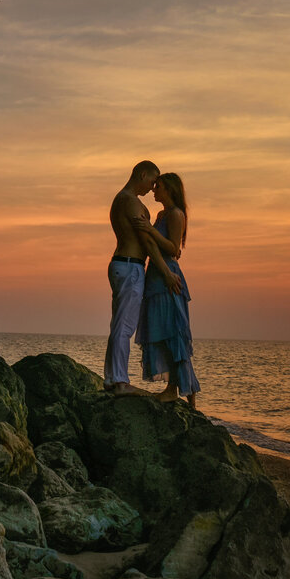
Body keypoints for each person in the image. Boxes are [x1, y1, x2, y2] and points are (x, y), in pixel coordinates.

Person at [105, 161, 181, 395]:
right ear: (142, 174)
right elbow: (147, 242)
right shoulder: (131, 202)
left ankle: (112, 379)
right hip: (130, 266)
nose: (152, 188)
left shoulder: (120, 199)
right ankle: (119, 382)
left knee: (118, 324)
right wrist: (167, 271)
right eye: (152, 181)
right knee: (124, 326)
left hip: (122, 264)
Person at [134, 172, 200, 408]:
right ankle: (183, 393)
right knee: (160, 332)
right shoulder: (162, 214)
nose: (154, 189)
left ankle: (177, 391)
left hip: (167, 276)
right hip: (155, 275)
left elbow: (172, 248)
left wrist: (150, 230)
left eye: (158, 186)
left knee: (173, 333)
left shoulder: (175, 214)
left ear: (169, 189)